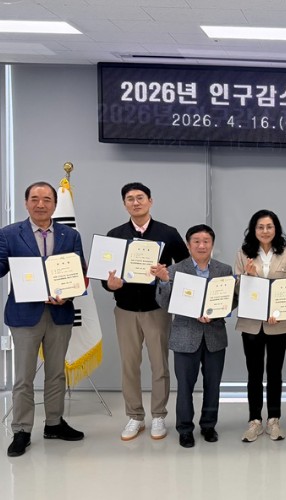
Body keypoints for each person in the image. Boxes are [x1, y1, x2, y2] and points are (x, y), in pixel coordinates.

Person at [1, 182, 86, 457]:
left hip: (60, 313)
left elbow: (79, 273)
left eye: (47, 199)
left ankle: (54, 423)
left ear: (55, 204)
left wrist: (68, 294)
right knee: (24, 376)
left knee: (56, 373)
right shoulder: (9, 234)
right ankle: (21, 430)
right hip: (24, 314)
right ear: (26, 203)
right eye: (35, 199)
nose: (41, 204)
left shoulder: (70, 235)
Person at [102, 182, 189, 441]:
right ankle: (135, 416)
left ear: (150, 201)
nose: (136, 202)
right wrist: (109, 284)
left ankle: (159, 415)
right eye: (130, 199)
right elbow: (105, 273)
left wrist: (166, 275)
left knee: (159, 364)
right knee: (130, 365)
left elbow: (185, 268)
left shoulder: (168, 233)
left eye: (140, 197)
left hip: (157, 309)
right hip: (125, 309)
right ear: (124, 204)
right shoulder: (115, 234)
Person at [155, 224, 233, 448]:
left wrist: (215, 313)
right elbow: (164, 303)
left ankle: (208, 425)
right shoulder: (174, 270)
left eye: (206, 241)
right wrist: (163, 281)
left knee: (213, 385)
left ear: (212, 244)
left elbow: (231, 301)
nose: (201, 245)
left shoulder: (224, 269)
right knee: (185, 387)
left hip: (214, 335)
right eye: (196, 241)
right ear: (188, 245)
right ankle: (185, 429)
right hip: (185, 335)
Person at [235, 210, 286, 442]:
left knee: (274, 372)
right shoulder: (243, 253)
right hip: (251, 324)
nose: (265, 231)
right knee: (254, 373)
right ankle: (254, 420)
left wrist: (278, 313)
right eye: (260, 227)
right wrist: (248, 276)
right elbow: (238, 290)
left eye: (269, 226)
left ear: (276, 229)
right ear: (253, 230)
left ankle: (274, 419)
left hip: (278, 324)